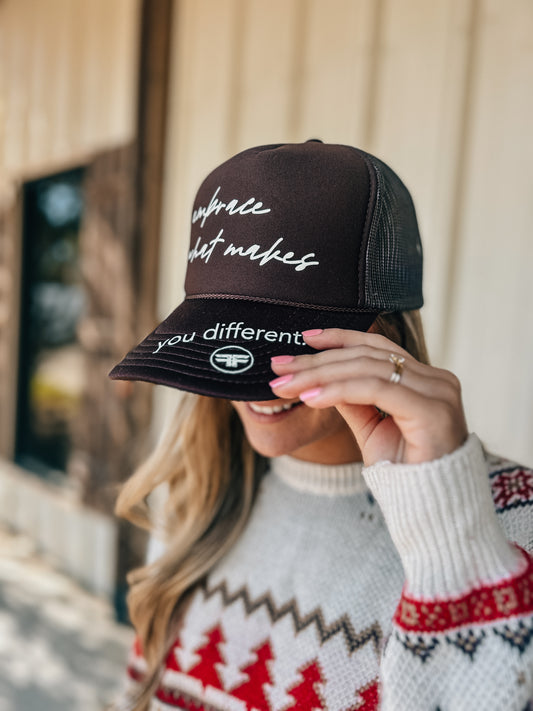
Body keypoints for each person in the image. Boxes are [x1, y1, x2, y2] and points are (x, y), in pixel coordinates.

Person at [109, 141, 533, 711]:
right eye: (219, 339)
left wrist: (450, 540)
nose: (262, 383)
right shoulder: (195, 493)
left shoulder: (515, 523)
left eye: (287, 347)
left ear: (387, 335)